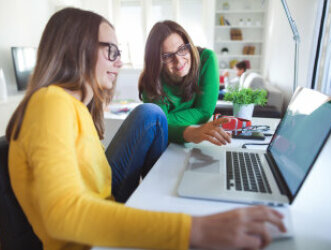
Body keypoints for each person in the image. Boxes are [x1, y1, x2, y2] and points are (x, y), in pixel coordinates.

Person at [6, 8, 285, 250]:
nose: (118, 61)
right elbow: (64, 216)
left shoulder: (75, 106)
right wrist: (194, 230)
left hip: (107, 204)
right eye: (111, 51)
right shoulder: (49, 102)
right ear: (77, 49)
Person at [139, 20, 232, 146]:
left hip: (197, 140)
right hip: (164, 145)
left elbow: (204, 112)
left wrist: (166, 122)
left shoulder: (207, 59)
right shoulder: (152, 79)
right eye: (167, 56)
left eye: (182, 49)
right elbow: (157, 127)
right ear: (157, 62)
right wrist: (190, 132)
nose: (179, 61)